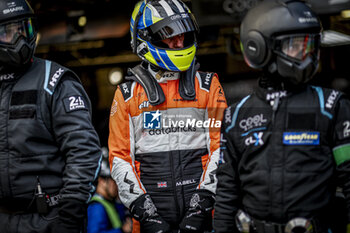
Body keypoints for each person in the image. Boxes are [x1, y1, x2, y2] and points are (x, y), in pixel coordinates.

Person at [213, 0, 350, 233]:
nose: (306, 55)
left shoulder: (332, 106)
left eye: (310, 46)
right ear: (259, 48)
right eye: (296, 46)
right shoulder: (236, 115)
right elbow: (226, 193)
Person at [108, 0, 227, 232]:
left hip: (204, 217)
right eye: (169, 34)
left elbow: (220, 148)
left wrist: (201, 206)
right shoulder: (126, 95)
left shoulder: (208, 85)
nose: (179, 41)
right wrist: (146, 213)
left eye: (183, 32)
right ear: (145, 38)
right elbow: (120, 159)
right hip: (148, 220)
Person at [0, 0, 102, 233]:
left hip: (49, 218)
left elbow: (84, 150)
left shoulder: (54, 80)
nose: (19, 40)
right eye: (8, 32)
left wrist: (70, 212)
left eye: (23, 30)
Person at [88, 148, 132, 233]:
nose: (117, 185)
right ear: (101, 181)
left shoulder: (109, 202)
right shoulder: (97, 207)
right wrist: (122, 230)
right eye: (113, 180)